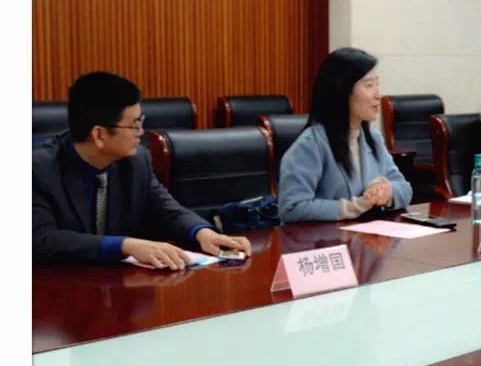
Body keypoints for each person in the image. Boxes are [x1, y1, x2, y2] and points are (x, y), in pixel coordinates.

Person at [33, 72, 252, 269]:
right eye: (134, 125)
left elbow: (165, 209)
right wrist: (125, 245)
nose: (141, 132)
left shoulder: (136, 161)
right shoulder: (37, 170)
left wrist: (201, 233)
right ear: (99, 135)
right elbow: (41, 239)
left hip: (121, 287)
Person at [279, 48, 412, 223]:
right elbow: (292, 208)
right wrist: (352, 207)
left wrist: (387, 192)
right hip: (326, 238)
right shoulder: (312, 143)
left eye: (377, 84)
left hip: (366, 235)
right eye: (369, 86)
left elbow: (404, 188)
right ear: (342, 90)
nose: (378, 94)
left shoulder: (374, 137)